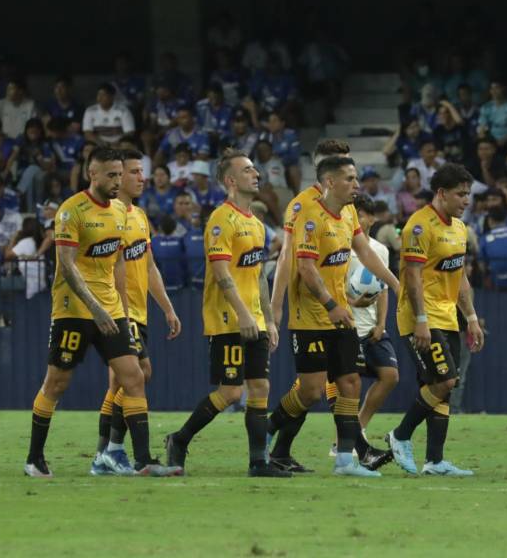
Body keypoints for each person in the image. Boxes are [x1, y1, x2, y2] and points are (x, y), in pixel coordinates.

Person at [23, 147, 180, 478]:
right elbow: (65, 265)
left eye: (120, 175)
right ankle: (34, 458)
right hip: (74, 311)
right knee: (57, 382)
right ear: (91, 174)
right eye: (111, 175)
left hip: (111, 310)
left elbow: (119, 262)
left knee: (135, 375)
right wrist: (96, 308)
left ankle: (142, 461)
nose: (117, 181)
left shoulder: (122, 213)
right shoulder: (71, 211)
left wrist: (120, 309)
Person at [165, 149, 287, 477]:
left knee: (260, 388)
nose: (256, 174)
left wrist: (268, 319)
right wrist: (244, 315)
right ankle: (179, 439)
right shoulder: (221, 219)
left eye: (255, 169)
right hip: (227, 319)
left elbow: (258, 274)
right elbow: (221, 273)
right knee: (231, 392)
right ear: (231, 180)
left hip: (255, 319)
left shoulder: (257, 225)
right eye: (248, 170)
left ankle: (258, 462)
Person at [267, 156, 389, 477]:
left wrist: (396, 283)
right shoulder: (308, 215)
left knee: (350, 383)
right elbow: (304, 267)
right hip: (311, 318)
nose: (356, 184)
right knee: (310, 391)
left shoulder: (349, 213)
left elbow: (365, 253)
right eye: (350, 178)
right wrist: (328, 304)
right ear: (330, 182)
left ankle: (345, 460)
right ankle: (267, 429)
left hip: (342, 317)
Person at [386, 163, 484, 477]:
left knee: (439, 387)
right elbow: (412, 278)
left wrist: (471, 317)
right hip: (419, 317)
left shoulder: (459, 228)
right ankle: (400, 436)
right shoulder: (419, 226)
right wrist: (421, 320)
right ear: (441, 193)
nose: (466, 200)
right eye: (460, 194)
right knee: (446, 381)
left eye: (468, 194)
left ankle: (435, 460)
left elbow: (461, 277)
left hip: (447, 316)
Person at [91, 148, 182, 475]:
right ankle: (123, 455)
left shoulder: (140, 216)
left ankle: (104, 456)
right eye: (133, 172)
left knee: (123, 382)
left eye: (141, 172)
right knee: (137, 375)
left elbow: (149, 265)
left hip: (139, 313)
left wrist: (168, 308)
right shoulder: (109, 214)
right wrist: (120, 312)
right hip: (118, 311)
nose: (141, 178)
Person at [344, 196, 398, 466]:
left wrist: (381, 324)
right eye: (355, 214)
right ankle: (344, 442)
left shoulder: (380, 250)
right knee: (349, 387)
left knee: (390, 376)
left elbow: (384, 290)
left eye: (363, 214)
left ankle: (359, 429)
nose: (359, 219)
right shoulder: (342, 248)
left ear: (372, 218)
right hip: (347, 326)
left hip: (372, 328)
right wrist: (352, 302)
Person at [82, 83, 135, 147]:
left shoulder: (123, 111)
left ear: (112, 97)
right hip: (98, 144)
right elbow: (87, 133)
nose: (100, 98)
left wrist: (117, 144)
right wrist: (103, 144)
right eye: (98, 94)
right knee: (88, 147)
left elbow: (130, 133)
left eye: (103, 95)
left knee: (127, 145)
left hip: (119, 144)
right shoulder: (90, 111)